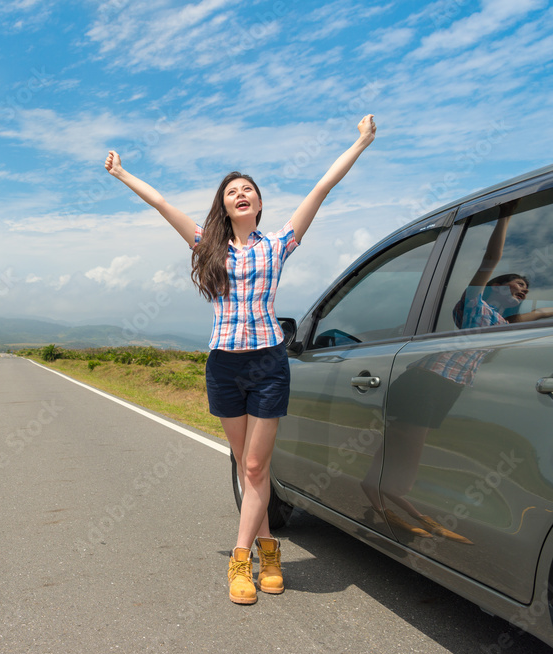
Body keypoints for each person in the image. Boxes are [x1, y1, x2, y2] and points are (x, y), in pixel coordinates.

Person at [105, 114, 376, 605]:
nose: (241, 194)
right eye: (232, 192)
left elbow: (322, 187)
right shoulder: (208, 247)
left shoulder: (278, 245)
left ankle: (240, 560)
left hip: (269, 362)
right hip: (224, 366)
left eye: (248, 189)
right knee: (250, 469)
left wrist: (359, 143)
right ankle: (270, 549)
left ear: (258, 202)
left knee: (254, 467)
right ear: (224, 207)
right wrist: (123, 174)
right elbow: (163, 203)